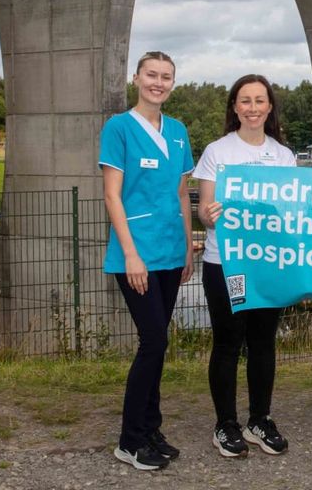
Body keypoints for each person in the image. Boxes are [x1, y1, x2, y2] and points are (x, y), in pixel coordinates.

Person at [100, 51, 195, 472]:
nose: (158, 82)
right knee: (153, 341)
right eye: (151, 75)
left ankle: (151, 428)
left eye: (166, 77)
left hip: (171, 251)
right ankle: (130, 439)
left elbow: (180, 194)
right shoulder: (118, 128)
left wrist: (190, 245)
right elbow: (112, 195)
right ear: (136, 77)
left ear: (173, 83)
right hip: (135, 254)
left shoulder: (177, 131)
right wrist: (132, 254)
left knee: (158, 345)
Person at [194, 74, 295, 458]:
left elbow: (290, 213)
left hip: (267, 265)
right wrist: (210, 213)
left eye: (260, 100)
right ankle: (225, 424)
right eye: (245, 100)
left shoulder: (284, 156)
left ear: (269, 107)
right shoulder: (218, 151)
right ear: (234, 107)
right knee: (227, 342)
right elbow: (204, 211)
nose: (253, 107)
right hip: (224, 263)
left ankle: (259, 419)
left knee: (263, 342)